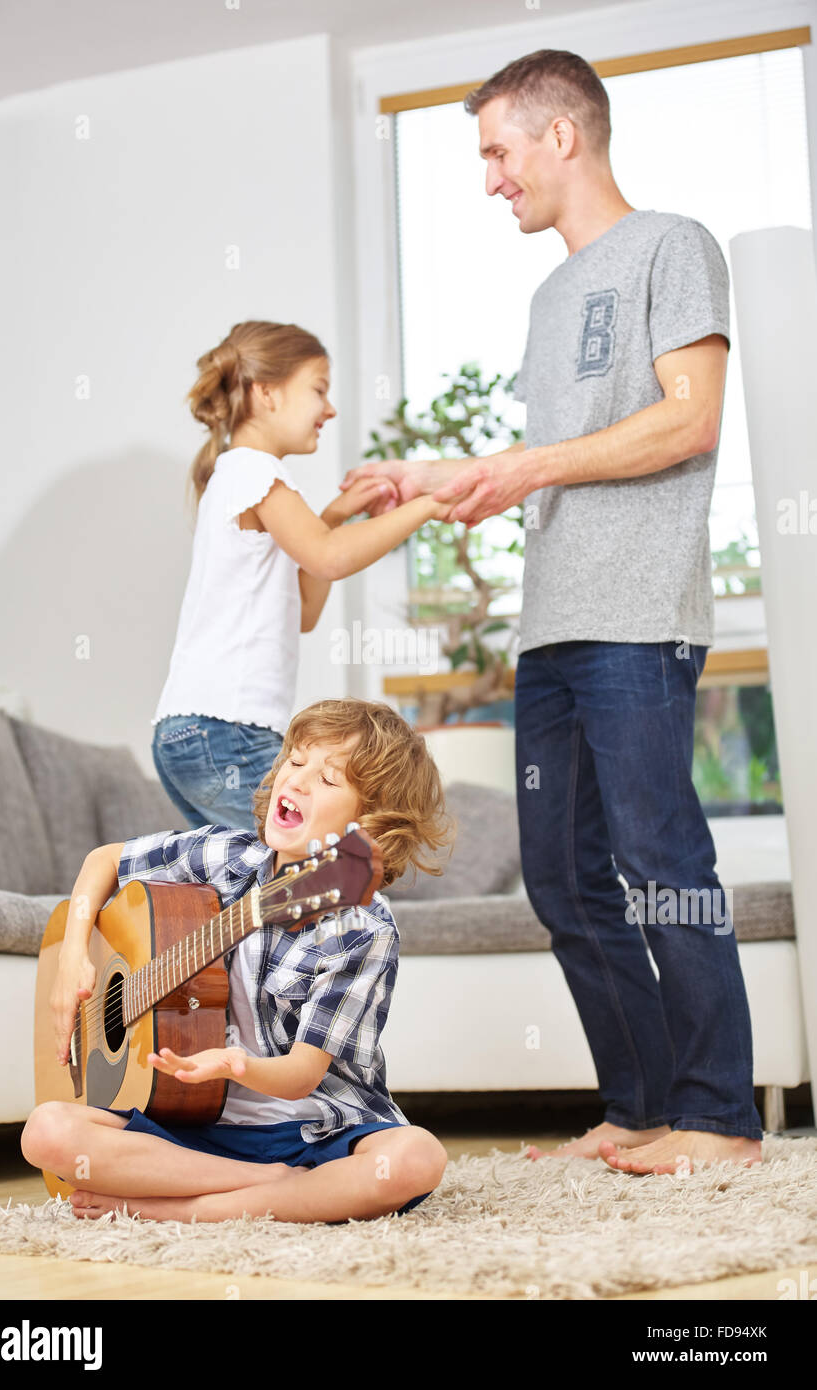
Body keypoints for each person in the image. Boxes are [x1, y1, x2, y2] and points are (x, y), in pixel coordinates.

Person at [343, 49, 764, 1175]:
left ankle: (720, 1115)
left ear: (560, 137)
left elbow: (686, 423)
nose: (488, 179)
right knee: (564, 877)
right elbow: (554, 463)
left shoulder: (670, 246)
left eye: (495, 150)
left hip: (635, 616)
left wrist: (528, 468)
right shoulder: (543, 297)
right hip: (550, 625)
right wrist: (436, 478)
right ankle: (638, 1105)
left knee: (656, 854)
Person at [22, 698, 454, 1224]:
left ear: (369, 823)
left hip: (315, 1130)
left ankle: (175, 1211)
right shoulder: (229, 855)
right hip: (199, 1132)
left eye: (328, 779)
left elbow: (300, 1076)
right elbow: (105, 860)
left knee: (415, 1159)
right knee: (46, 1132)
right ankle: (269, 1190)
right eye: (295, 762)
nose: (296, 782)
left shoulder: (360, 927)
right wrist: (72, 955)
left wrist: (235, 1064)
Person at [152, 319, 447, 831]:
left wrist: (333, 517)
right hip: (227, 728)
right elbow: (329, 558)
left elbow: (305, 610)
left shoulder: (237, 474)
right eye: (318, 390)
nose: (329, 409)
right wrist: (429, 503)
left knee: (250, 883)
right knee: (306, 870)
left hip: (191, 731)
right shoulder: (255, 471)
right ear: (265, 393)